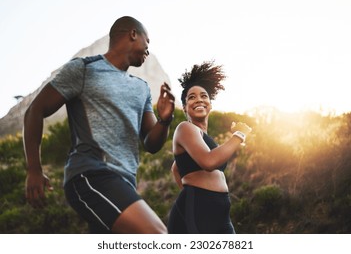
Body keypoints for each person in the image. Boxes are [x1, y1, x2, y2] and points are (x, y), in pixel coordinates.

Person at [23, 16, 175, 234]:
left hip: (125, 184)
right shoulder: (84, 69)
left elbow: (151, 142)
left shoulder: (141, 88)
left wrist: (165, 119)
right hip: (91, 175)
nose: (148, 50)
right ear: (133, 34)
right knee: (158, 236)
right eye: (147, 42)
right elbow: (34, 111)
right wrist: (34, 169)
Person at [167, 61, 252, 233]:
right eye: (192, 97)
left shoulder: (204, 138)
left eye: (204, 96)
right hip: (197, 211)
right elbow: (208, 161)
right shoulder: (185, 128)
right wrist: (239, 135)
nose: (199, 99)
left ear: (210, 104)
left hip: (220, 213)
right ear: (184, 107)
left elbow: (176, 168)